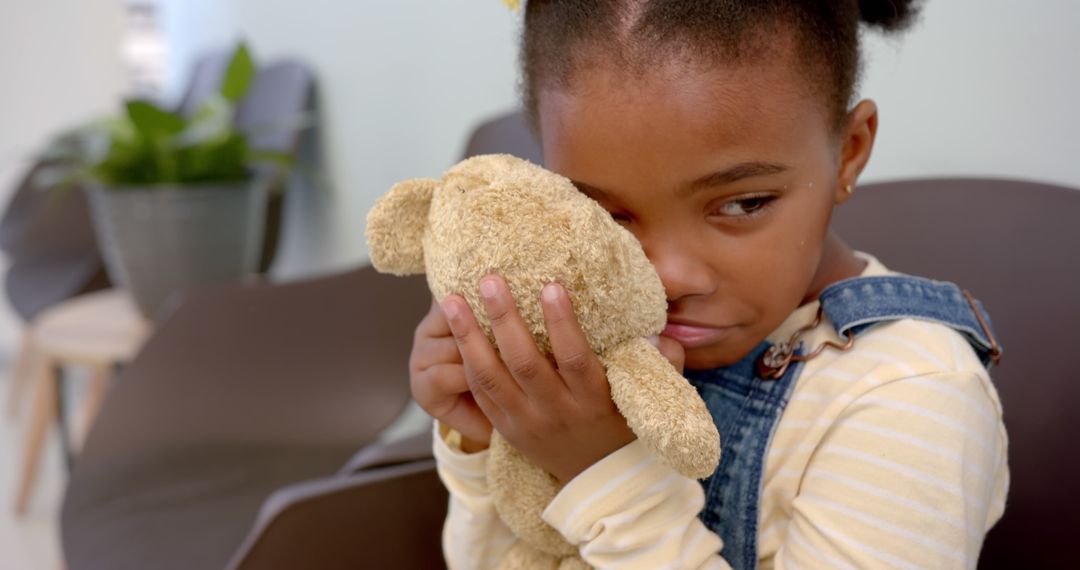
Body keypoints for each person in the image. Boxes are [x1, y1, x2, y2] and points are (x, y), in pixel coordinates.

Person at [409, 1, 1009, 567]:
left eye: (744, 203)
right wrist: (487, 440)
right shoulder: (593, 345)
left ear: (849, 153)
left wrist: (604, 475)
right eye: (607, 215)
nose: (669, 275)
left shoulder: (909, 395)